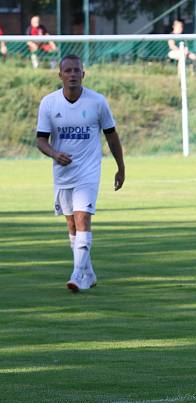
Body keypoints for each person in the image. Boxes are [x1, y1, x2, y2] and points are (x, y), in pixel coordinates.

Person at [35, 55, 125, 292]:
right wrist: (55, 154)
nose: (73, 74)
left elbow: (111, 135)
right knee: (72, 225)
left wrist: (120, 166)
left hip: (88, 171)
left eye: (77, 70)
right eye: (68, 70)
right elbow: (41, 140)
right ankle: (89, 273)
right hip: (63, 174)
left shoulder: (97, 102)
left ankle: (76, 275)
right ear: (60, 75)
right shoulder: (49, 103)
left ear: (83, 75)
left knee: (82, 218)